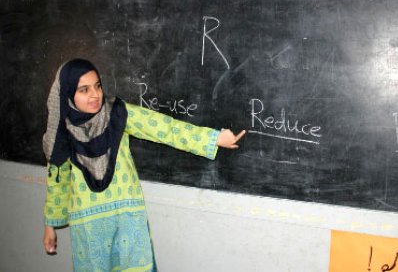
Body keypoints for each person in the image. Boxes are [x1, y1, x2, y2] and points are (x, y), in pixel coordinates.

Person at [42, 58, 245, 271]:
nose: (95, 94)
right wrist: (50, 225)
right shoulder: (60, 135)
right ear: (67, 93)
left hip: (127, 217)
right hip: (88, 225)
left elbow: (164, 128)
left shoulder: (117, 113)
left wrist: (213, 139)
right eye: (84, 90)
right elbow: (57, 180)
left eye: (98, 86)